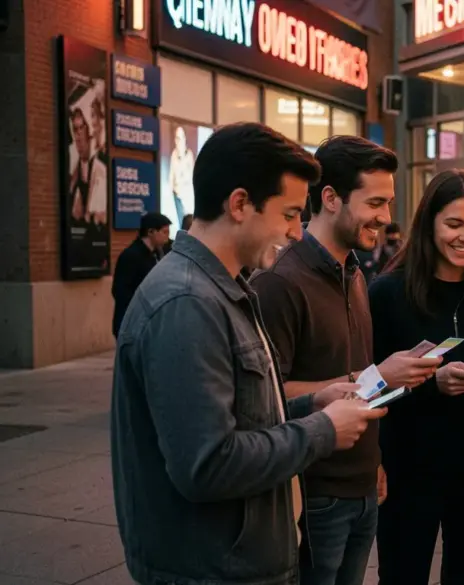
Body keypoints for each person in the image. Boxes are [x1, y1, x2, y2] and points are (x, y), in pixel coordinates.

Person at [110, 122, 387, 585]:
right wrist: (321, 430)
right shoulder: (188, 303)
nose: (297, 233)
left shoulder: (222, 290)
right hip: (214, 569)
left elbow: (241, 416)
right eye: (289, 214)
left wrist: (306, 405)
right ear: (240, 204)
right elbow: (208, 464)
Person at [251, 136, 441, 585]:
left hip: (361, 488)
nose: (387, 216)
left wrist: (372, 462)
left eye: (389, 202)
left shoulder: (355, 273)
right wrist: (376, 375)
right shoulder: (280, 282)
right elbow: (265, 397)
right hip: (314, 494)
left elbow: (351, 380)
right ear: (331, 198)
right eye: (375, 201)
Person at [369, 169, 464, 585]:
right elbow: (368, 387)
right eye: (454, 224)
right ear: (429, 224)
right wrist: (430, 385)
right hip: (409, 465)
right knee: (402, 575)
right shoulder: (387, 293)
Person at [111, 212, 171, 338]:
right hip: (132, 324)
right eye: (164, 232)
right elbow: (120, 291)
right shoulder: (131, 256)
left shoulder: (156, 253)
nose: (168, 237)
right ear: (151, 232)